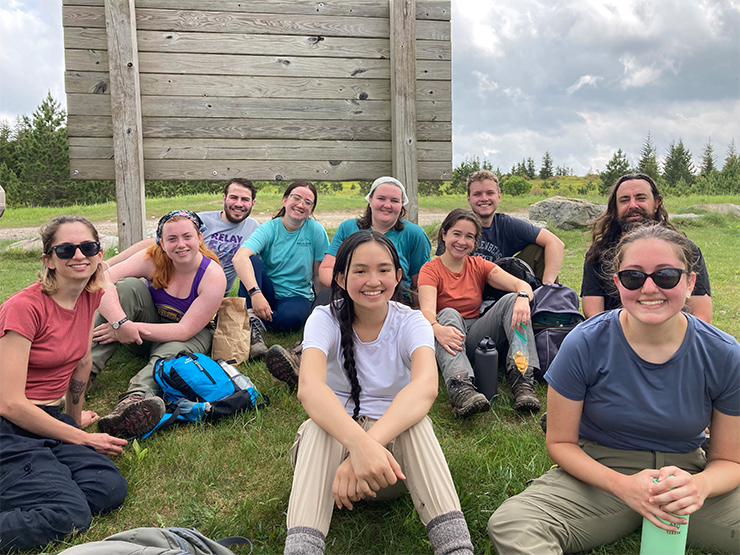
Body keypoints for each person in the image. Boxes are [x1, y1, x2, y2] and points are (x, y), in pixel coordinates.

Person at [488, 224, 739, 554]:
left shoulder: (723, 353)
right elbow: (561, 442)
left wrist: (700, 486)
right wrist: (624, 486)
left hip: (685, 477)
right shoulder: (585, 342)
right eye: (634, 277)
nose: (649, 288)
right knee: (514, 523)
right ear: (618, 282)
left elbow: (729, 461)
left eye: (666, 276)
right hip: (601, 473)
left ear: (690, 282)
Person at [284, 230, 474, 555]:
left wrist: (365, 449)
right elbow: (310, 389)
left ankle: (456, 549)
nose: (373, 280)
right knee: (320, 426)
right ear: (341, 278)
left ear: (398, 276)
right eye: (360, 271)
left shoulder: (412, 322)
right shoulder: (323, 318)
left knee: (416, 423)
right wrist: (356, 445)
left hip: (390, 469)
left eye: (384, 270)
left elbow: (425, 388)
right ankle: (302, 550)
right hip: (328, 468)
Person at [0, 216, 128, 552]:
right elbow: (10, 403)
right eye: (66, 249)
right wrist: (81, 437)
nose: (79, 255)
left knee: (107, 490)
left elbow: (82, 362)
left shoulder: (89, 296)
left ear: (99, 253)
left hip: (46, 419)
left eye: (88, 247)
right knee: (69, 514)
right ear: (49, 260)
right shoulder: (23, 309)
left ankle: (34, 478)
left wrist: (73, 418)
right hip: (8, 423)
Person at [265, 176, 431, 386]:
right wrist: (349, 286)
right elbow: (326, 269)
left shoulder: (414, 234)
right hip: (351, 291)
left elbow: (422, 281)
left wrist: (424, 318)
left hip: (392, 297)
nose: (387, 205)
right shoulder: (348, 228)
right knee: (328, 294)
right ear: (370, 200)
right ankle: (303, 354)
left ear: (402, 205)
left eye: (394, 201)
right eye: (381, 198)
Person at [91, 210, 226, 438]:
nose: (180, 244)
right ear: (161, 243)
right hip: (144, 326)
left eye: (187, 236)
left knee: (171, 353)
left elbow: (184, 330)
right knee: (126, 287)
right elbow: (103, 280)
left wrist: (126, 330)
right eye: (172, 239)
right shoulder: (151, 258)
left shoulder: (212, 275)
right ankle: (83, 373)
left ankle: (134, 402)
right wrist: (119, 322)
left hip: (190, 333)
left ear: (199, 239)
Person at [105, 179, 265, 358]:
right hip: (171, 287)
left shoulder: (252, 227)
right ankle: (87, 356)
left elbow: (257, 260)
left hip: (208, 294)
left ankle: (252, 325)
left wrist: (256, 293)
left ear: (253, 203)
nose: (238, 204)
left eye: (244, 199)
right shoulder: (200, 220)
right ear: (224, 198)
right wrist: (108, 264)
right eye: (233, 197)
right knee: (125, 286)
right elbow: (153, 244)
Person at [419, 209, 540, 417]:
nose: (461, 241)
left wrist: (522, 297)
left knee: (513, 300)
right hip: (445, 335)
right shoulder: (430, 270)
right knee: (447, 312)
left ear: (475, 242)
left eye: (469, 236)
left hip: (475, 333)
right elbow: (427, 311)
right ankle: (461, 388)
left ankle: (523, 380)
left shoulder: (479, 265)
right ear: (444, 234)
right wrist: (436, 328)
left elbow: (521, 284)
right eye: (456, 234)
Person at [582, 173, 712, 323]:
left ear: (657, 203)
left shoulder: (685, 250)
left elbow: (702, 315)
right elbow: (593, 313)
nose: (632, 205)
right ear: (615, 208)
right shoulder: (598, 253)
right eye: (624, 200)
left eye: (640, 198)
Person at [233, 180, 329, 334]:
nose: (300, 204)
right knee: (251, 261)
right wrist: (256, 294)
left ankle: (250, 319)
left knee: (291, 318)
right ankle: (253, 316)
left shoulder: (315, 230)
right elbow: (239, 257)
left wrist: (321, 310)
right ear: (285, 200)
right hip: (266, 290)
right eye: (296, 198)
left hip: (296, 295)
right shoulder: (269, 228)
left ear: (311, 210)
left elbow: (318, 274)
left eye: (307, 202)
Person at [438, 170, 564, 284]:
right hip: (466, 286)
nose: (484, 198)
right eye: (477, 194)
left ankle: (548, 302)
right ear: (469, 199)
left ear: (499, 196)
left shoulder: (507, 224)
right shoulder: (456, 226)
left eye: (490, 193)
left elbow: (555, 243)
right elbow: (442, 266)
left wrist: (548, 285)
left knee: (538, 249)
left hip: (502, 284)